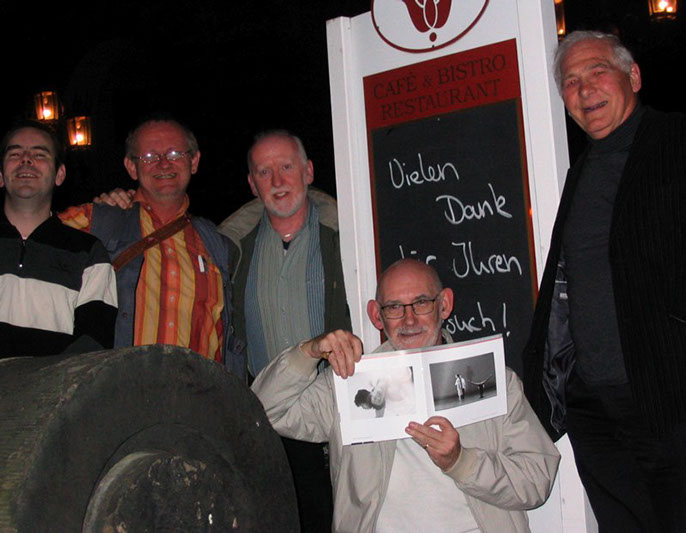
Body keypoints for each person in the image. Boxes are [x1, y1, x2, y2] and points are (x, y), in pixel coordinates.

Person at [253, 259, 560, 533]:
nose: (409, 320)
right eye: (394, 307)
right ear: (377, 316)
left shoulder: (492, 380)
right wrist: (308, 352)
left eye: (422, 302)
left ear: (444, 305)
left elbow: (537, 479)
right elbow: (264, 411)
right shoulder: (349, 382)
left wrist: (461, 462)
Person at [521, 30, 686, 532]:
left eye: (597, 71)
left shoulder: (675, 141)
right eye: (570, 82)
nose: (585, 89)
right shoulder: (583, 172)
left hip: (666, 396)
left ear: (632, 76)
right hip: (593, 406)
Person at [218, 130, 349, 532]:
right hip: (264, 415)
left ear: (308, 171)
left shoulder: (347, 234)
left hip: (333, 410)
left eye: (287, 167)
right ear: (252, 183)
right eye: (264, 171)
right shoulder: (229, 247)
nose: (277, 181)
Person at [59, 116, 243, 378]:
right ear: (131, 167)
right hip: (122, 391)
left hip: (199, 396)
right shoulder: (98, 221)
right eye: (149, 156)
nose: (163, 163)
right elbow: (30, 234)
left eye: (175, 154)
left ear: (194, 162)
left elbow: (227, 334)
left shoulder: (215, 243)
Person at [0, 121, 117, 357]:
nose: (26, 160)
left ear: (59, 174)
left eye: (39, 154)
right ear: (1, 175)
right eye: (15, 154)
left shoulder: (89, 254)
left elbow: (92, 347)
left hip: (54, 382)